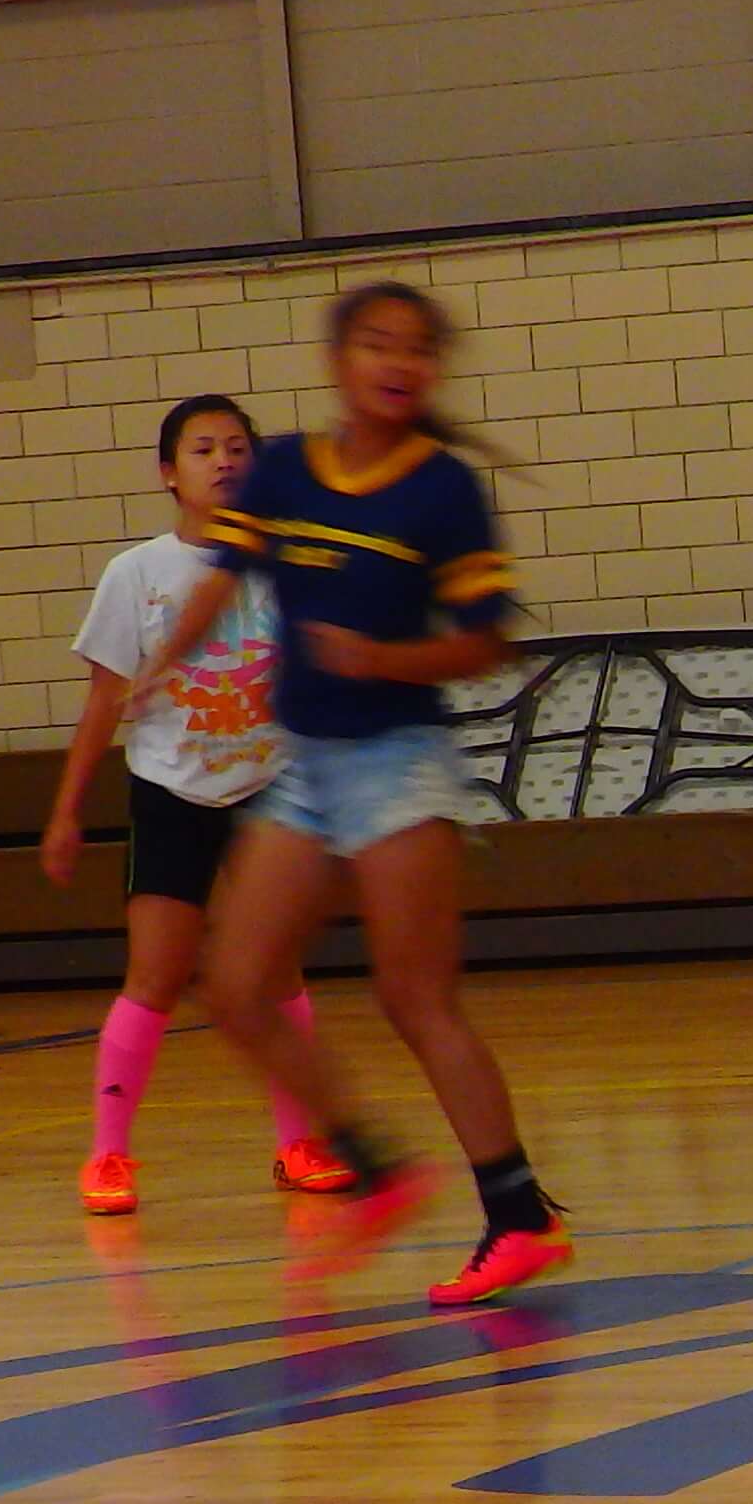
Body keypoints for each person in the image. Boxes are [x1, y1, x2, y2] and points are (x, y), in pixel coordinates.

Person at [144, 281, 571, 1310]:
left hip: (398, 758)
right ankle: (374, 1166)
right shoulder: (286, 468)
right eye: (378, 343)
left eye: (418, 349)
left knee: (416, 997)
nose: (398, 362)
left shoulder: (443, 491)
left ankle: (520, 1214)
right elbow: (222, 572)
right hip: (305, 761)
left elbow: (486, 642)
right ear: (340, 360)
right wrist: (168, 659)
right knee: (236, 984)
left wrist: (384, 657)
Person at [35, 392, 360, 1218]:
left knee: (276, 971)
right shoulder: (137, 574)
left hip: (268, 790)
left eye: (237, 447)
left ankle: (300, 1143)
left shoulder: (286, 559)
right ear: (168, 474)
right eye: (203, 449)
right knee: (155, 975)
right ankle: (109, 1154)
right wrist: (67, 811)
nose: (224, 461)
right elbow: (104, 700)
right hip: (174, 790)